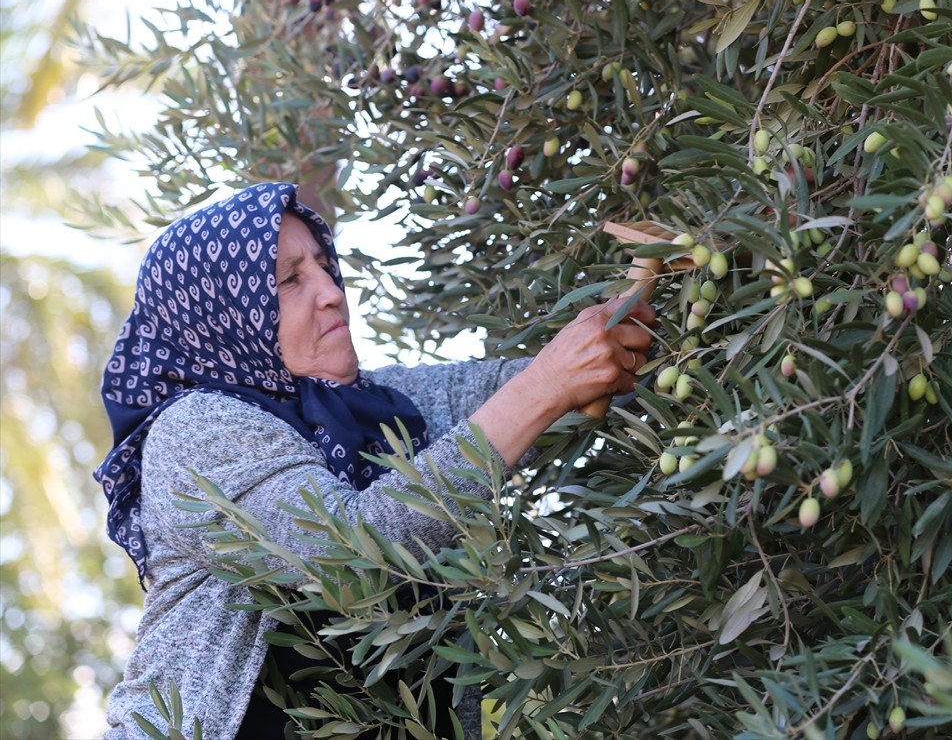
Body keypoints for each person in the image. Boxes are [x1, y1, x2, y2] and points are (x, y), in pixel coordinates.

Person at [95, 182, 656, 739]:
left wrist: (639, 319)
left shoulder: (381, 407)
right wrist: (548, 384)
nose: (331, 291)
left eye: (322, 265)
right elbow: (351, 554)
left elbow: (528, 392)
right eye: (290, 280)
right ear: (223, 317)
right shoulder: (196, 429)